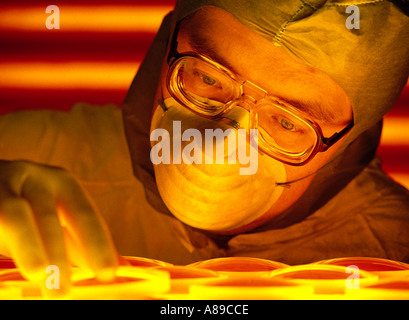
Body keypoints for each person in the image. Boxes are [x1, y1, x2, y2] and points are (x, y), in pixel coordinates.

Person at [0, 0, 409, 294]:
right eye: (208, 78)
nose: (223, 142)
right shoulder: (34, 158)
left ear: (343, 146)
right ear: (165, 52)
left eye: (288, 122)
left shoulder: (395, 258)